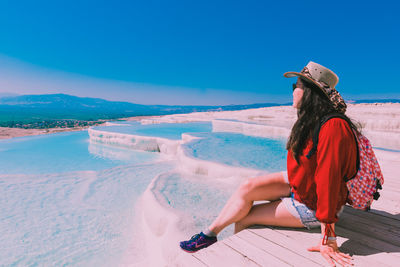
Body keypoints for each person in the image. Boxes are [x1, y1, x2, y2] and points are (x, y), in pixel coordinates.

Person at [179, 61, 357, 266]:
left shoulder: (333, 126)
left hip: (314, 206)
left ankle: (240, 260)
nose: (292, 91)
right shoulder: (311, 120)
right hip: (302, 187)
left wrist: (329, 240)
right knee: (247, 187)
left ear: (310, 91)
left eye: (296, 86)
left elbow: (330, 181)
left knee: (245, 218)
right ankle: (209, 235)